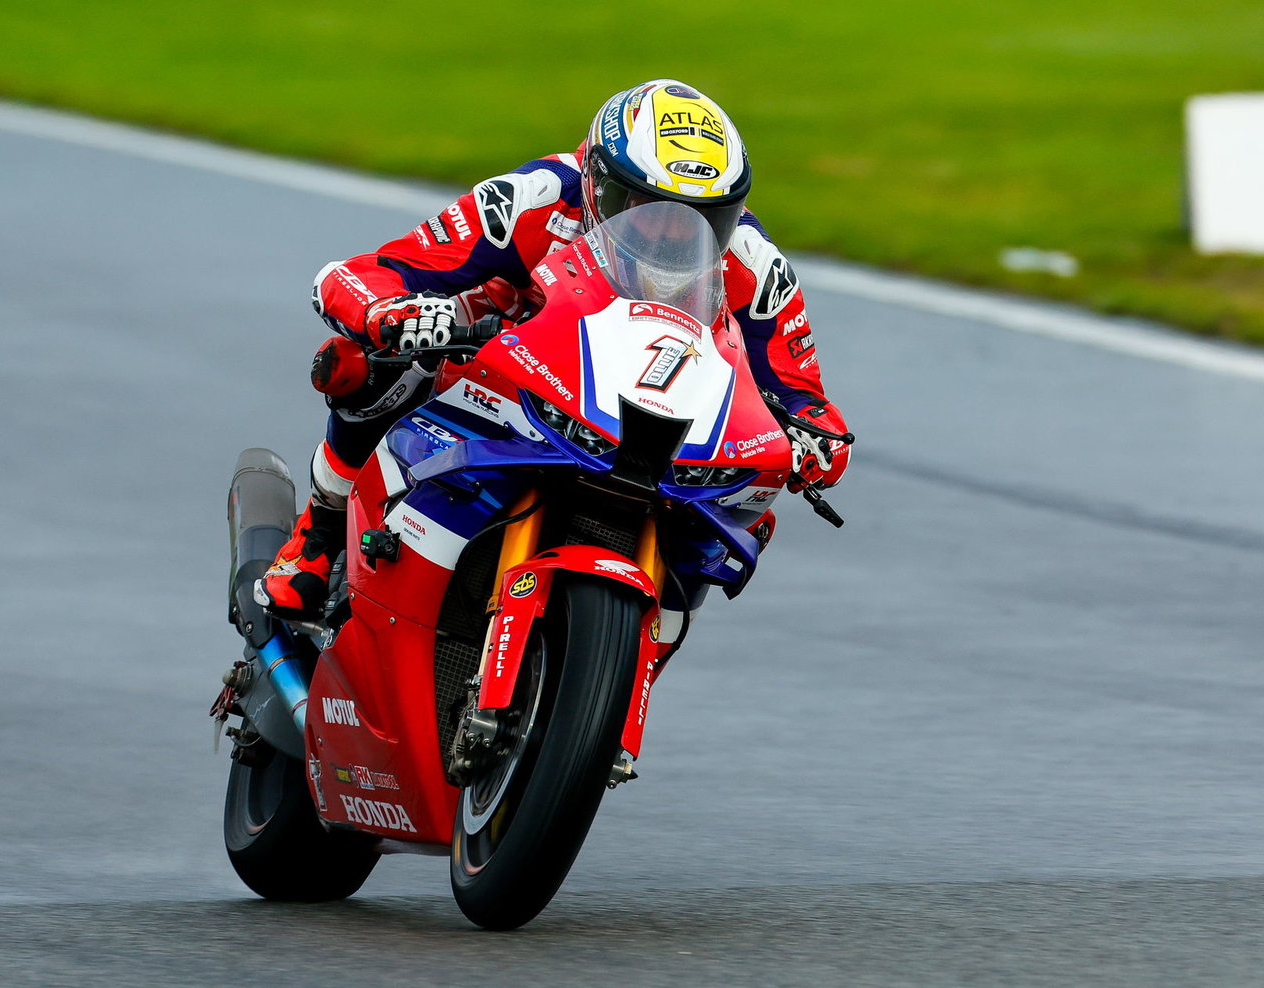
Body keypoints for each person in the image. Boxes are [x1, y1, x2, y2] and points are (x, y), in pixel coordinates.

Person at [255, 78, 852, 619]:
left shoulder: (752, 263)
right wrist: (394, 313)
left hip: (654, 424)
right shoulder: (533, 199)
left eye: (700, 219)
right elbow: (366, 272)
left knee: (749, 505)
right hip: (511, 381)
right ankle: (320, 533)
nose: (671, 235)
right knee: (365, 362)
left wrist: (812, 440)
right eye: (648, 211)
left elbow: (804, 398)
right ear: (598, 184)